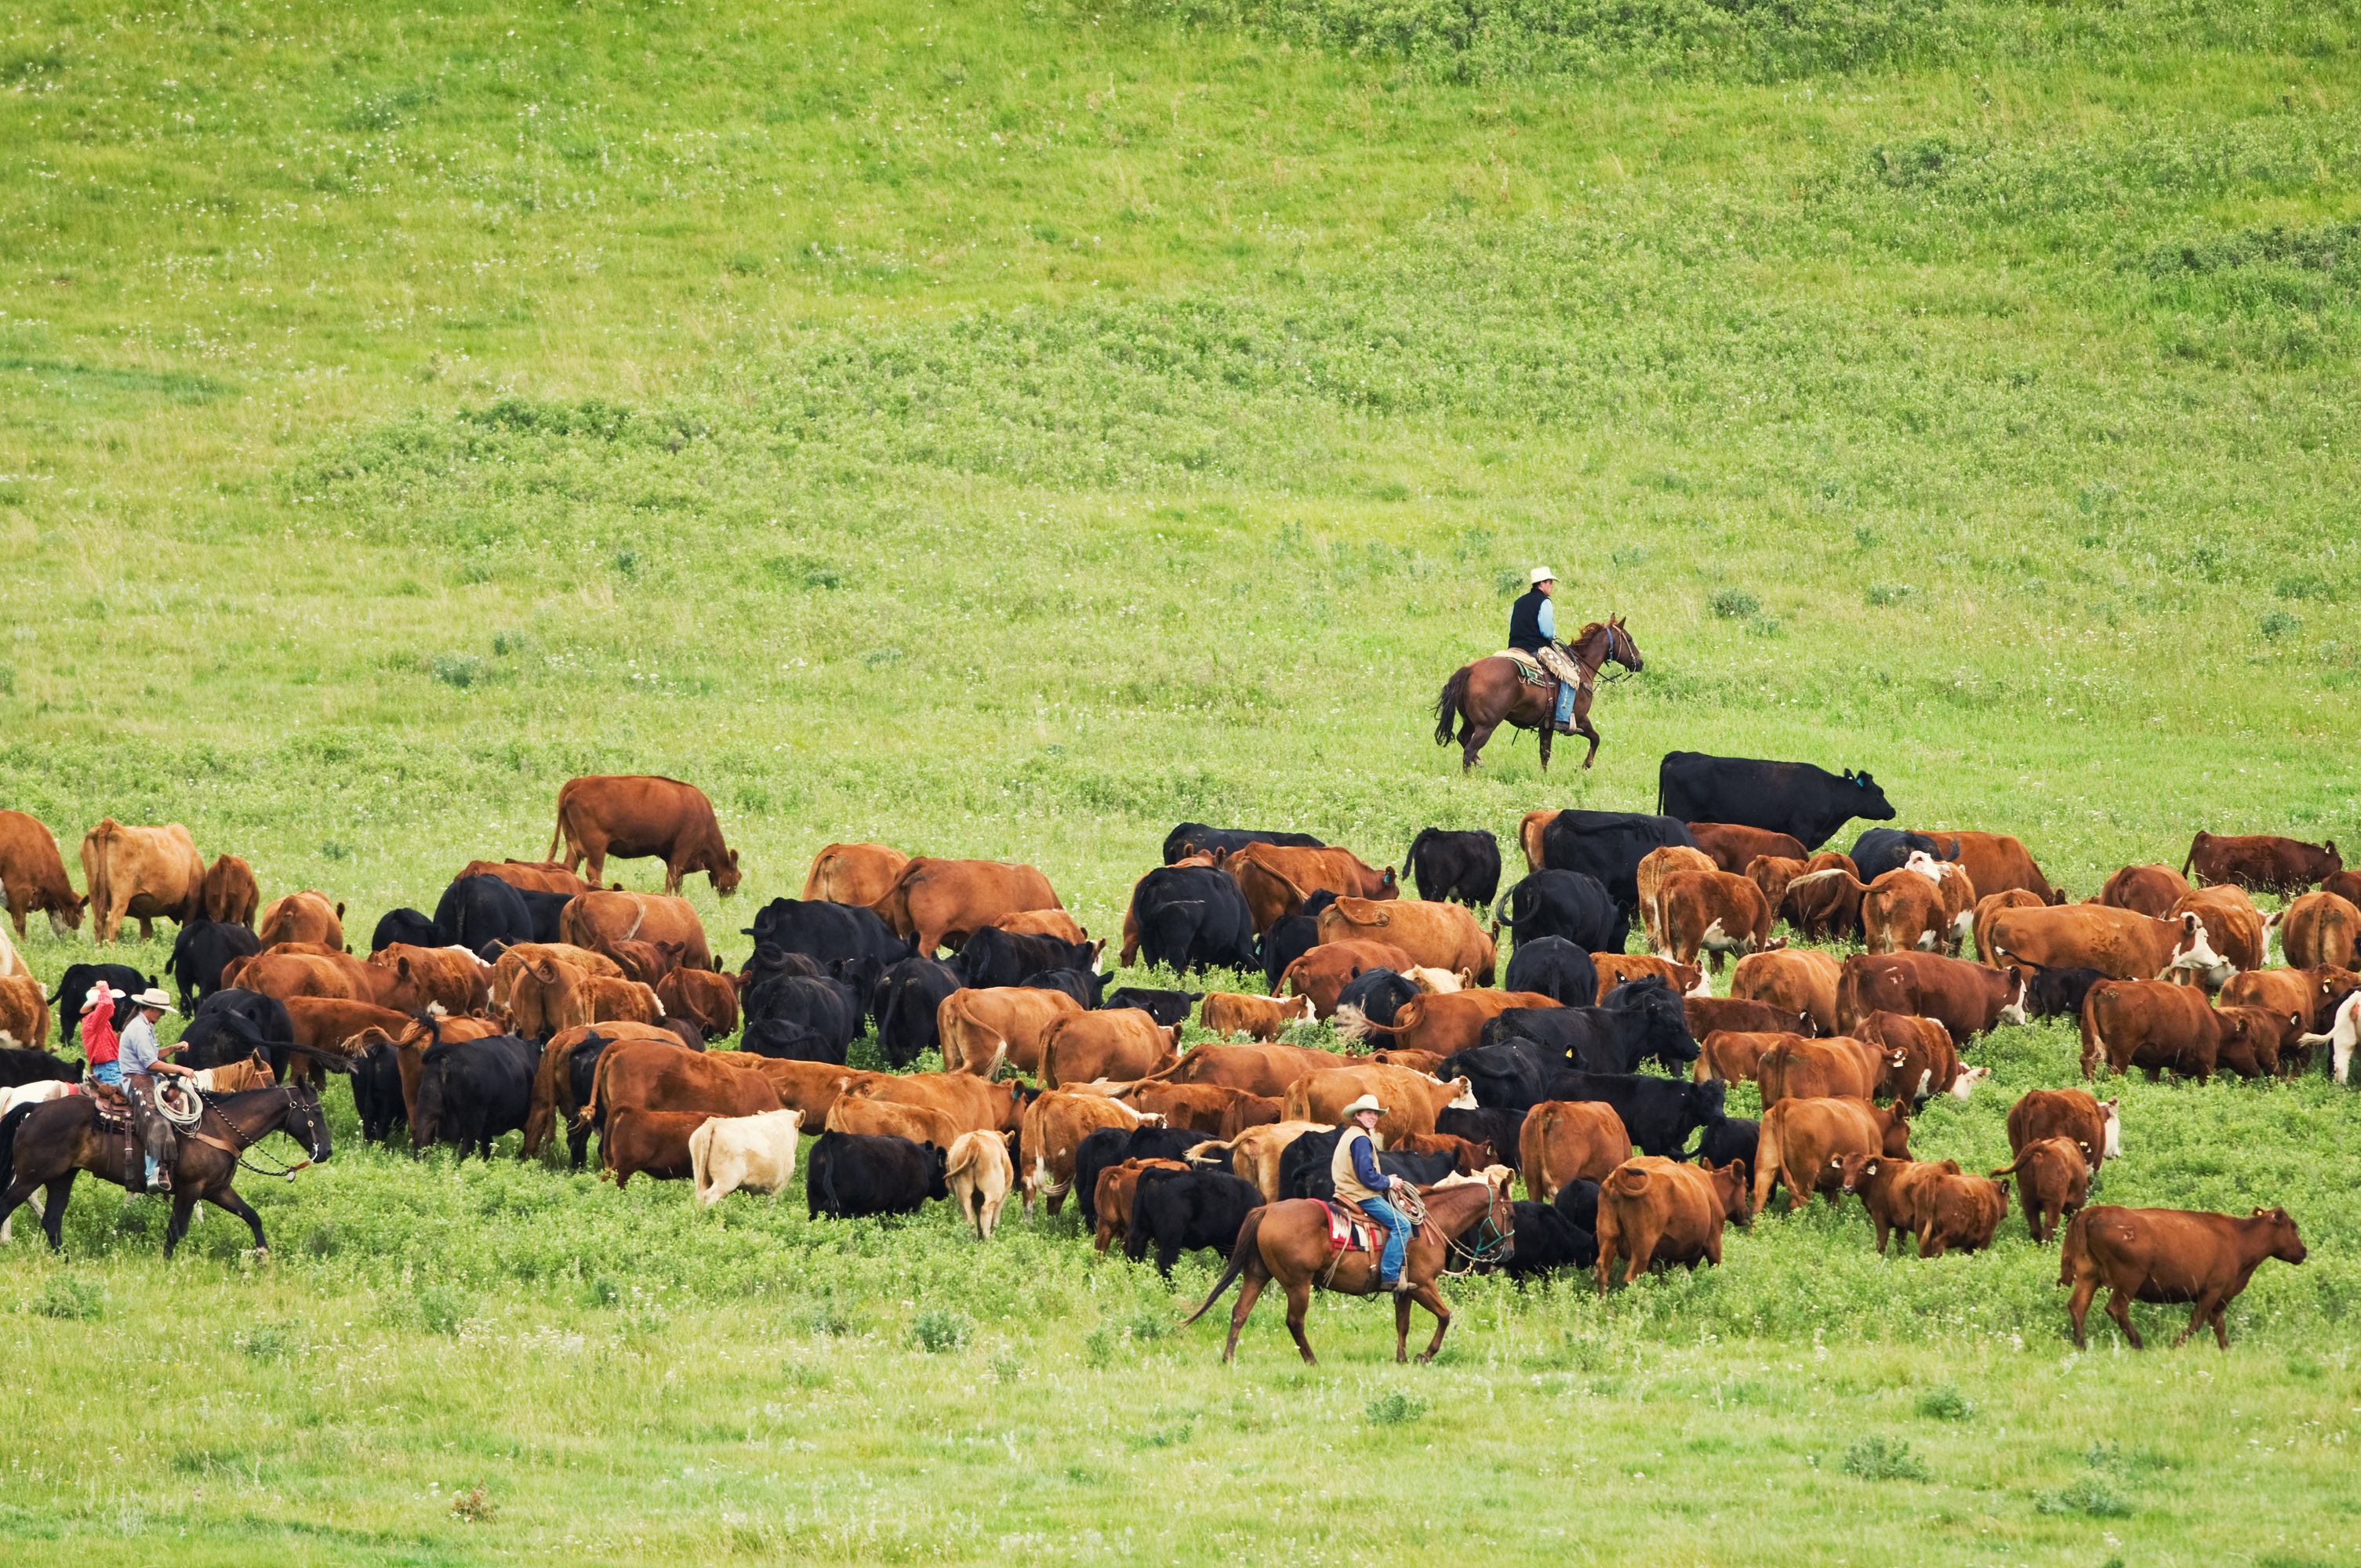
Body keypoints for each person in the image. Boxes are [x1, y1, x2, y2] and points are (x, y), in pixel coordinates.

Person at [1329, 1094, 1415, 1294]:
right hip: (1361, 1195)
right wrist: (1389, 1182)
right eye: (1369, 1112)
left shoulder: (1350, 1135)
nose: (1374, 1117)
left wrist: (1384, 1179)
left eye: (1375, 1113)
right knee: (1403, 1225)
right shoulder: (1361, 1139)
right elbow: (1366, 1177)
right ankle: (1389, 1276)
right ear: (1358, 1115)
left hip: (1346, 1191)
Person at [115, 986, 192, 1193]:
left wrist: (172, 1049)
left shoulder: (144, 1025)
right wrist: (180, 1068)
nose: (163, 1014)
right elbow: (150, 1064)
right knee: (156, 1119)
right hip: (136, 1081)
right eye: (161, 1010)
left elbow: (152, 1054)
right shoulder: (139, 1028)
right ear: (151, 1008)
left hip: (146, 1079)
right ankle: (153, 1174)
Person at [1506, 567, 1582, 732]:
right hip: (1535, 649)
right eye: (1550, 583)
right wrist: (1552, 635)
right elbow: (1547, 631)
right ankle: (1562, 719)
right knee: (1570, 674)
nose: (1552, 586)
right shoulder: (1545, 602)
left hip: (1514, 648)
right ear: (1542, 584)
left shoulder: (1518, 601)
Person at [80, 985, 125, 1090]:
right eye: (112, 999)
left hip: (109, 1068)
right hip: (109, 1070)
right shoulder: (94, 1020)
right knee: (133, 1096)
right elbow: (107, 1004)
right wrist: (103, 986)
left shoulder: (98, 1022)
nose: (113, 1003)